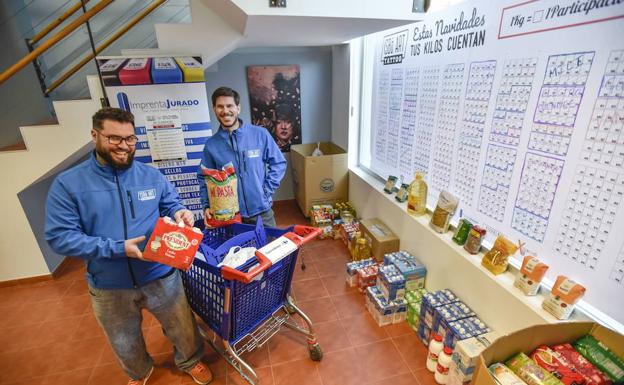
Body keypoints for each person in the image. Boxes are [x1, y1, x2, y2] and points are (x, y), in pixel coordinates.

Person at [45, 107, 213, 385]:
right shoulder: (68, 184)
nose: (123, 146)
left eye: (130, 139)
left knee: (183, 327)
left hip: (160, 273)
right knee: (123, 339)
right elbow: (60, 237)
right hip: (109, 285)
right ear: (94, 135)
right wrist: (116, 248)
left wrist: (181, 211)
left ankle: (191, 361)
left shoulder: (151, 176)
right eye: (114, 138)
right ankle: (139, 373)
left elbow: (170, 203)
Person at [198, 86, 287, 227]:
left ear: (238, 108)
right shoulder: (211, 145)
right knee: (239, 249)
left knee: (270, 247)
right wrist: (207, 205)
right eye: (220, 106)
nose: (225, 111)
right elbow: (204, 177)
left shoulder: (260, 134)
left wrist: (266, 190)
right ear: (214, 109)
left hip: (261, 211)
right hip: (230, 215)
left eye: (229, 106)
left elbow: (279, 163)